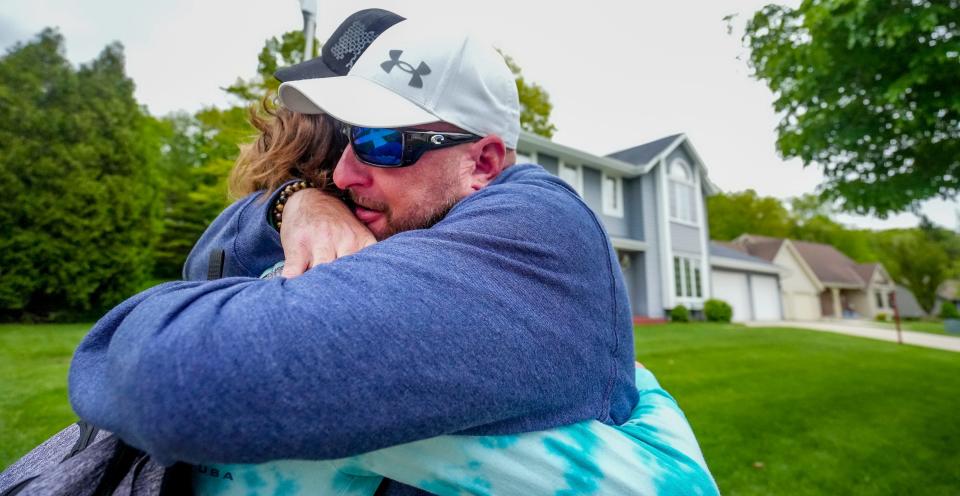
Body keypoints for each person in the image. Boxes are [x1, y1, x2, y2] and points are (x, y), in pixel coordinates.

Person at [67, 16, 713, 496]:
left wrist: (131, 324)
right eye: (345, 141)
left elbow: (177, 383)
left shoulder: (535, 232)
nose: (343, 173)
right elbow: (208, 258)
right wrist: (293, 202)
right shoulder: (400, 209)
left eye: (379, 142)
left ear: (483, 162)